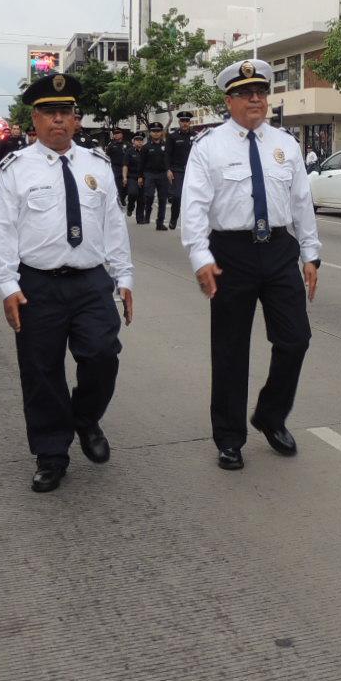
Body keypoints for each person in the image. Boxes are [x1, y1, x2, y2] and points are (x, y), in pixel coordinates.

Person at [0, 72, 134, 492]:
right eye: (49, 113)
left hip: (90, 282)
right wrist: (7, 285)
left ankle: (85, 419)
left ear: (76, 119)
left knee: (103, 354)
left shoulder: (98, 166)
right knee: (41, 371)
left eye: (65, 112)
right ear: (33, 119)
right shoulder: (14, 169)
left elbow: (113, 227)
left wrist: (124, 276)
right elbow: (2, 231)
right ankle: (51, 453)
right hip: (38, 283)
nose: (58, 120)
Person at [180, 58, 321, 471]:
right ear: (229, 101)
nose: (255, 99)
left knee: (295, 339)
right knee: (230, 349)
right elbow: (194, 207)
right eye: (245, 94)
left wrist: (310, 253)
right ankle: (229, 437)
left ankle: (270, 415)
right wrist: (200, 258)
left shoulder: (286, 145)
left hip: (278, 249)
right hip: (231, 253)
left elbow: (300, 204)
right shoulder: (208, 147)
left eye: (260, 92)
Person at [136, 121, 171, 230]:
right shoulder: (146, 147)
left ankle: (160, 223)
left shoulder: (166, 146)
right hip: (149, 174)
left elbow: (169, 161)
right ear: (150, 133)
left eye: (158, 131)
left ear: (161, 132)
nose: (156, 133)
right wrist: (140, 176)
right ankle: (147, 214)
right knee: (149, 195)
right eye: (154, 131)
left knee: (162, 199)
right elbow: (141, 163)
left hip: (162, 175)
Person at [166, 110, 194, 230]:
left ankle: (190, 224)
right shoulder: (173, 136)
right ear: (179, 122)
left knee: (192, 198)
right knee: (177, 196)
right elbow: (167, 154)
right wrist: (168, 169)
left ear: (189, 122)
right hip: (177, 170)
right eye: (183, 121)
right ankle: (173, 218)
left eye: (187, 121)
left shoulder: (195, 136)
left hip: (192, 171)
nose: (185, 123)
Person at [124, 130, 146, 216]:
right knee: (133, 193)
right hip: (132, 177)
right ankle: (130, 206)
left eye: (141, 140)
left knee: (142, 199)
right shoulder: (129, 151)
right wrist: (125, 177)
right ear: (133, 141)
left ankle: (140, 218)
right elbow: (125, 165)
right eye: (137, 140)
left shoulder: (146, 151)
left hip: (144, 177)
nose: (139, 142)